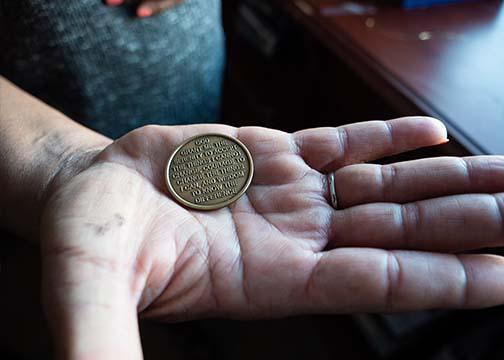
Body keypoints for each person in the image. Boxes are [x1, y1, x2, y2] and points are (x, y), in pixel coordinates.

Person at [1, 1, 504, 359]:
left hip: (185, 86)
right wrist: (65, 163)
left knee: (193, 270)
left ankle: (187, 328)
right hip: (24, 149)